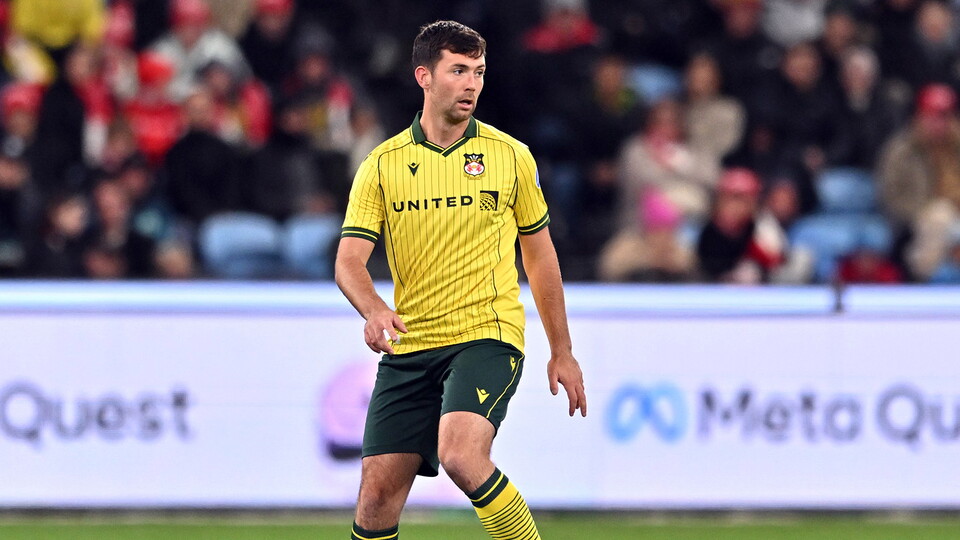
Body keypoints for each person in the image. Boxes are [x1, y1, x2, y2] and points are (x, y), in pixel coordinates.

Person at [334, 20, 586, 540]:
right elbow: (348, 262)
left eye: (479, 72)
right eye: (458, 71)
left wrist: (561, 349)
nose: (472, 83)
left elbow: (539, 259)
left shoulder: (509, 156)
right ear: (424, 76)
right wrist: (376, 309)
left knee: (461, 453)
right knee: (376, 498)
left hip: (485, 335)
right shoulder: (382, 164)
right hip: (411, 345)